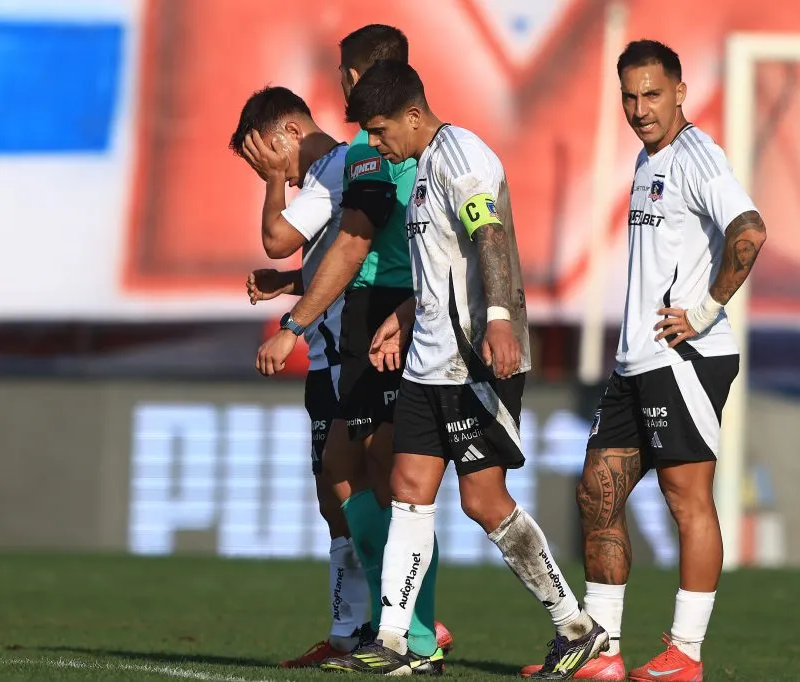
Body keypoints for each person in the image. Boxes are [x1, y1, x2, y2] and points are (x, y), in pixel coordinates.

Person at [321, 59, 608, 679]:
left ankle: (574, 625)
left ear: (414, 115)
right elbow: (442, 268)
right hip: (429, 363)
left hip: (476, 364)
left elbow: (492, 238)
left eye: (379, 129)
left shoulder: (462, 157)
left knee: (485, 501)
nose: (374, 142)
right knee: (408, 489)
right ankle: (397, 641)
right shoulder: (421, 168)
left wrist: (500, 318)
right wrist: (403, 314)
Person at [524, 40, 768, 682]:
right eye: (629, 96)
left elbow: (750, 230)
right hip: (637, 362)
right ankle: (600, 653)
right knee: (596, 494)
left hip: (686, 358)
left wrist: (706, 312)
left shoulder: (698, 156)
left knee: (686, 497)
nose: (639, 108)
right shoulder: (645, 157)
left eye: (652, 94)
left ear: (680, 91)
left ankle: (685, 654)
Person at [250, 26, 451, 672]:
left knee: (401, 483)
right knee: (343, 473)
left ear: (356, 75)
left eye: (344, 74)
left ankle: (415, 629)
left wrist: (295, 323)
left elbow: (356, 239)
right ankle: (383, 624)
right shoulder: (380, 144)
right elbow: (340, 241)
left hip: (386, 307)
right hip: (376, 307)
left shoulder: (368, 149)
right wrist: (298, 289)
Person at [228, 85, 371, 667]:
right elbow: (325, 259)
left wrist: (270, 186)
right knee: (335, 497)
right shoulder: (332, 176)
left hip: (347, 355)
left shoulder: (335, 169)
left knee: (358, 491)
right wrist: (289, 283)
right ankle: (348, 632)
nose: (281, 179)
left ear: (289, 132)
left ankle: (402, 622)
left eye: (273, 161)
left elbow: (278, 237)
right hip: (327, 353)